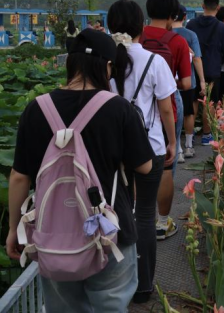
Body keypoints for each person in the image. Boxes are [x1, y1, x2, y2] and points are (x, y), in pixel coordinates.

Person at [6, 29, 154, 312]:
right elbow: (145, 166)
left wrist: (14, 229)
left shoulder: (36, 109)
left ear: (69, 62)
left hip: (54, 234)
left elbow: (19, 176)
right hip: (111, 229)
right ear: (108, 66)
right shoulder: (119, 109)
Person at [107, 0, 177, 305]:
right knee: (145, 216)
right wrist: (172, 142)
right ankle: (144, 286)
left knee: (115, 214)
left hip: (112, 152)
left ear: (110, 26)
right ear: (141, 26)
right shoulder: (154, 62)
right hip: (151, 147)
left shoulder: (104, 62)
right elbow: (166, 109)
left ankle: (114, 283)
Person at [142, 0, 192, 242]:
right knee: (165, 165)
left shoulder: (136, 37)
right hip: (166, 107)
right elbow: (186, 83)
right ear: (173, 15)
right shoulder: (178, 41)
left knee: (135, 164)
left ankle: (139, 218)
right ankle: (162, 223)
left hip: (134, 108)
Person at [186, 0, 224, 146]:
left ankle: (190, 135)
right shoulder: (221, 27)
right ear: (218, 8)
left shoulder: (191, 24)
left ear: (202, 6)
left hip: (194, 69)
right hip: (213, 69)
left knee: (194, 101)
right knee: (210, 103)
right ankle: (207, 135)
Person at [173, 5, 205, 160]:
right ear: (184, 17)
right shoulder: (190, 35)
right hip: (187, 80)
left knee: (171, 113)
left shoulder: (165, 34)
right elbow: (197, 59)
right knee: (188, 113)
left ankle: (177, 148)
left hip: (168, 82)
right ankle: (188, 146)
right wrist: (202, 81)